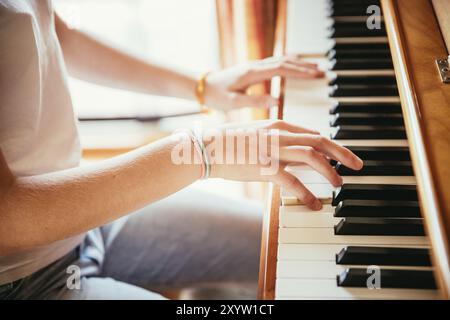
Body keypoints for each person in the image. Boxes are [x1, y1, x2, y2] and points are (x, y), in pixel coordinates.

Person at [0, 0, 363, 300]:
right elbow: (7, 219)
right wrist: (204, 151)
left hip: (89, 218)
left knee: (293, 248)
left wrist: (202, 86)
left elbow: (56, 34)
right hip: (24, 282)